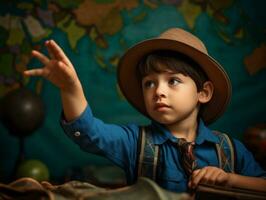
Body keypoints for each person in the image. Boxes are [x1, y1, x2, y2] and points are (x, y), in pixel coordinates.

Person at [23, 28, 266, 193]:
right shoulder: (134, 142)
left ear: (203, 93)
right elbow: (89, 131)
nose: (158, 91)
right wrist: (70, 88)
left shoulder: (230, 151)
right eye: (149, 83)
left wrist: (229, 179)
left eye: (173, 81)